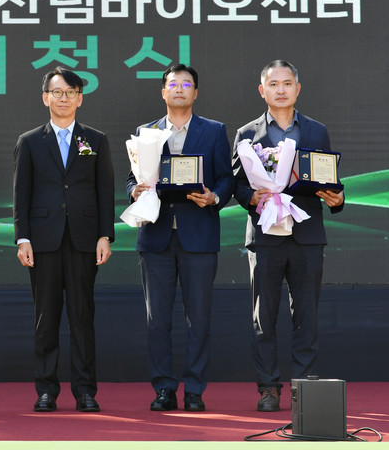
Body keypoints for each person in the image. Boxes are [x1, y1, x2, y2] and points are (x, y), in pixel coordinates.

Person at [232, 60, 345, 412]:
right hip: (265, 235)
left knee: (306, 315)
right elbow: (236, 183)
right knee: (263, 316)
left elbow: (327, 176)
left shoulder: (316, 131)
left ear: (297, 88)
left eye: (286, 83)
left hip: (307, 234)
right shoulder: (246, 134)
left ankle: (305, 387)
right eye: (273, 84)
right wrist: (251, 197)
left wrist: (338, 198)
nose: (280, 90)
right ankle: (268, 388)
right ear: (262, 90)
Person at [126, 64, 234, 412]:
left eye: (187, 85)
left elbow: (226, 178)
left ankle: (194, 389)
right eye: (173, 84)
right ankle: (163, 388)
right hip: (155, 237)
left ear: (195, 93)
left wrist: (214, 197)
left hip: (198, 235)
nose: (179, 89)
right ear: (163, 92)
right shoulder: (145, 133)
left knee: (198, 319)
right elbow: (131, 178)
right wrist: (134, 190)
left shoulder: (214, 131)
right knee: (157, 319)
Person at [13, 66, 115, 413]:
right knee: (46, 318)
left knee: (82, 317)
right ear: (46, 98)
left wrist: (105, 234)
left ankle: (85, 391)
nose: (64, 98)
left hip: (84, 239)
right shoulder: (29, 141)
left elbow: (105, 191)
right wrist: (22, 238)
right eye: (57, 92)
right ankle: (46, 390)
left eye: (71, 93)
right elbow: (21, 194)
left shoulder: (95, 140)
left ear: (80, 99)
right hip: (43, 241)